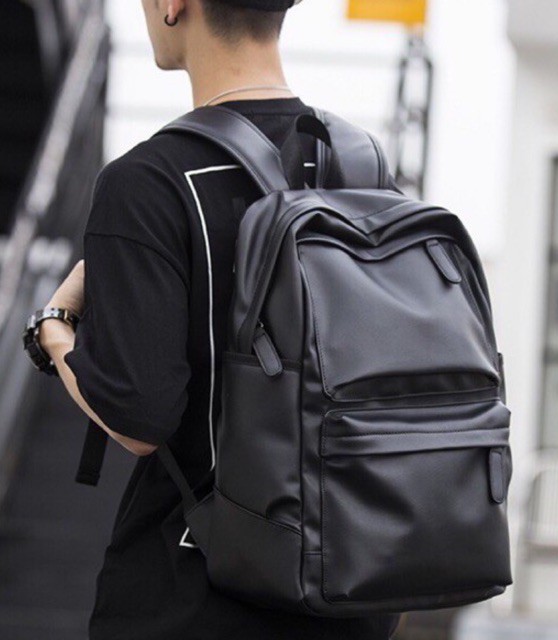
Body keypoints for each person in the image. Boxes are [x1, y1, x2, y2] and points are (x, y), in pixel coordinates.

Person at [37, 1, 401, 638]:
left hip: (196, 597)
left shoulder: (149, 182)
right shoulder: (361, 166)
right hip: (349, 583)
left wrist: (54, 329)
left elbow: (139, 418)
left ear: (174, 4)